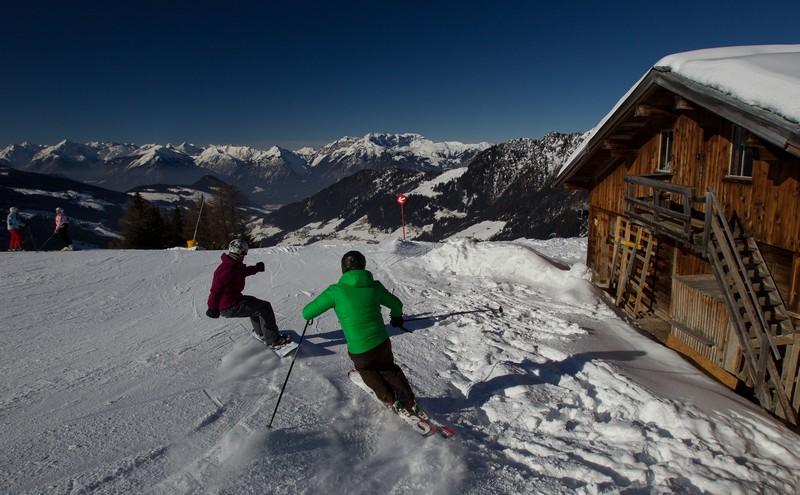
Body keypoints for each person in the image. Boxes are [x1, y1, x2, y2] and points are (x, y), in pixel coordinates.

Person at [301, 250, 421, 416]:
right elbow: (397, 304)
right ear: (363, 266)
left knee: (367, 371)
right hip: (382, 342)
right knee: (388, 369)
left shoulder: (335, 291)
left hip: (360, 349)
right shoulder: (375, 286)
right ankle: (409, 401)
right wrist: (396, 318)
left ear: (343, 269)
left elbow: (306, 313)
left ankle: (390, 400)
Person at [206, 238, 291, 348]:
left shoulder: (233, 265)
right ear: (239, 252)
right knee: (264, 307)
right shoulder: (227, 269)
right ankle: (273, 340)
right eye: (244, 252)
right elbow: (215, 290)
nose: (245, 255)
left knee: (255, 304)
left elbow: (243, 272)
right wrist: (212, 307)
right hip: (228, 306)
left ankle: (262, 333)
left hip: (234, 299)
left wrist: (256, 268)